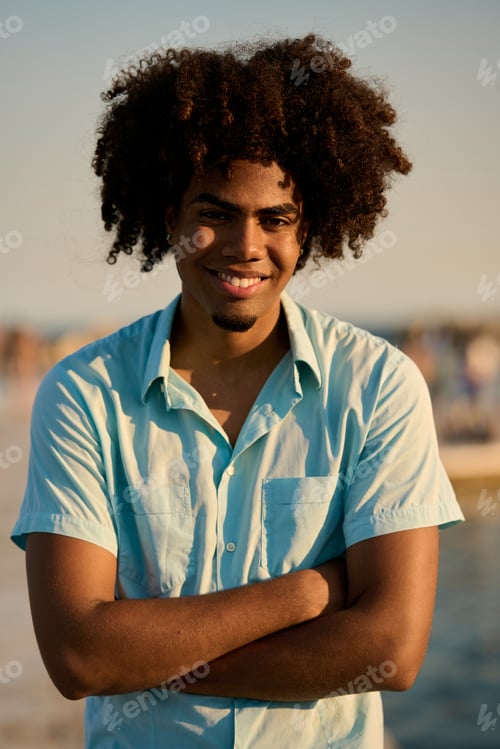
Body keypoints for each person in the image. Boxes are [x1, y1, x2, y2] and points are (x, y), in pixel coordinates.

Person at [11, 33, 465, 748]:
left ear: (306, 228)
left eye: (274, 218)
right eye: (215, 212)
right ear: (171, 220)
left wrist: (150, 656)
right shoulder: (84, 393)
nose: (245, 244)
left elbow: (391, 650)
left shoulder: (379, 387)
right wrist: (313, 591)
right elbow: (79, 655)